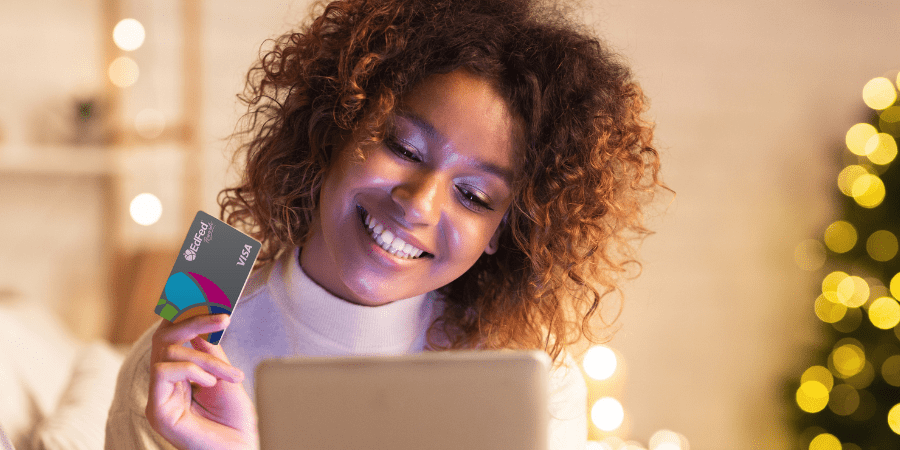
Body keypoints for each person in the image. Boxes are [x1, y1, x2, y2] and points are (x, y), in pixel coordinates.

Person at [105, 0, 663, 448]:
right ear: (336, 129)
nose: (418, 203)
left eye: (473, 195)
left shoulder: (532, 385)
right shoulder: (180, 370)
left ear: (503, 233)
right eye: (403, 146)